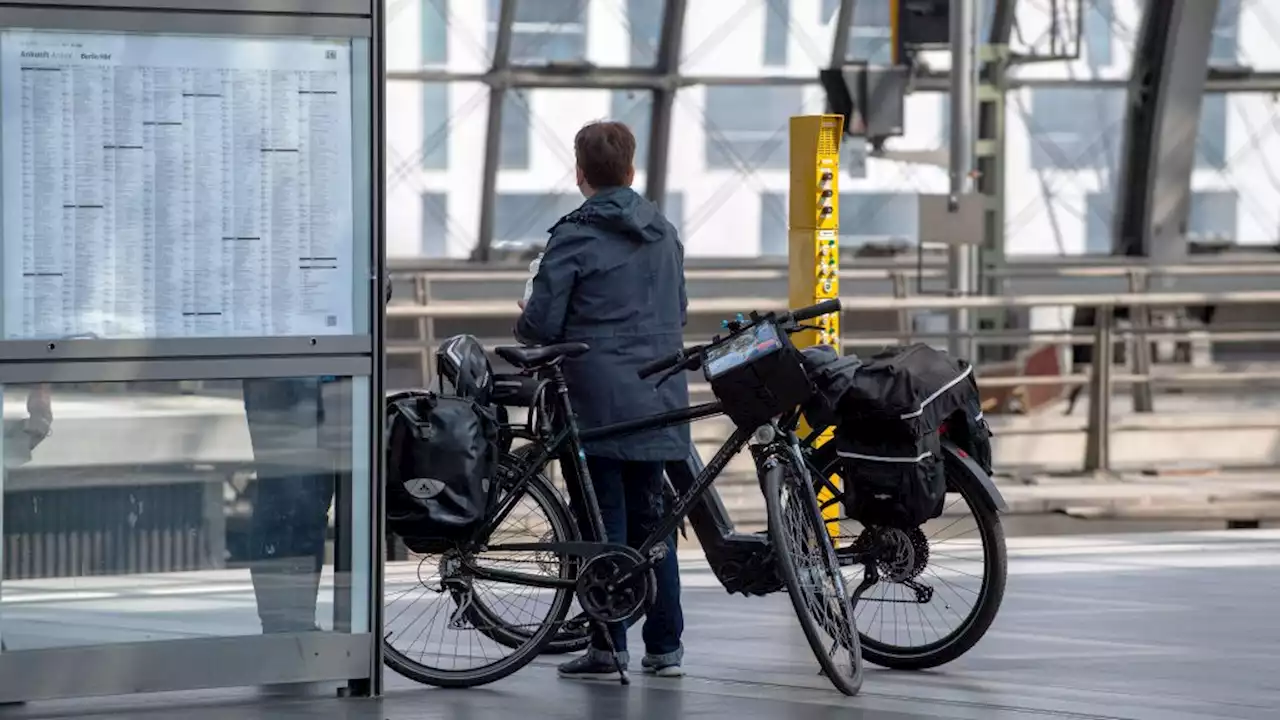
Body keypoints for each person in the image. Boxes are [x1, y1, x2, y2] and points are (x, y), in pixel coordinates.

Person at [515, 120, 690, 681]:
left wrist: (524, 318)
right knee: (654, 522)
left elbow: (542, 325)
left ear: (580, 173)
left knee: (602, 519)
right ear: (632, 170)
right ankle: (665, 647)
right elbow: (679, 311)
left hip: (594, 401)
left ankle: (609, 646)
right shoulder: (662, 231)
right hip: (660, 392)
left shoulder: (574, 235)